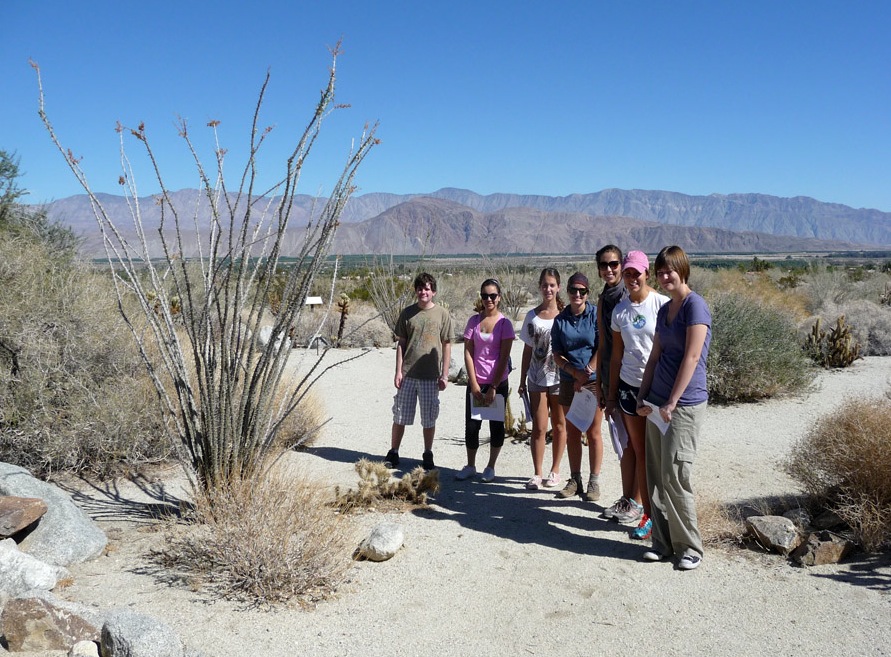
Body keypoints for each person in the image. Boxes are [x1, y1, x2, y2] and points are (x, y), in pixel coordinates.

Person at [636, 246, 711, 570]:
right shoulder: (665, 309)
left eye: (671, 271)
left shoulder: (695, 307)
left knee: (675, 474)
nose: (666, 277)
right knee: (655, 474)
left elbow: (692, 358)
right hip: (657, 403)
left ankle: (689, 547)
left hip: (683, 405)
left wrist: (672, 401)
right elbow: (655, 356)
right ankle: (663, 542)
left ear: (683, 270)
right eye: (661, 271)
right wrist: (643, 396)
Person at [605, 251, 669, 541]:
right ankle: (646, 514)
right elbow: (617, 356)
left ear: (647, 273)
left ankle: (666, 516)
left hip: (658, 388)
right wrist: (611, 393)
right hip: (630, 388)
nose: (631, 278)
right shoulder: (620, 312)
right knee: (641, 451)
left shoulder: (662, 305)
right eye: (627, 273)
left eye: (636, 273)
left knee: (662, 454)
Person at [385, 272, 454, 471]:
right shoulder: (407, 314)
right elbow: (401, 343)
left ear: (434, 291)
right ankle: (394, 451)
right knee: (400, 415)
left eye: (427, 288)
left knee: (429, 416)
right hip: (408, 374)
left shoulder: (442, 314)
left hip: (430, 375)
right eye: (420, 288)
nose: (423, 292)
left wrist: (445, 374)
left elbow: (447, 344)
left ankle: (427, 453)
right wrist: (398, 371)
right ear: (415, 290)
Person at [456, 279, 516, 483]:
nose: (488, 299)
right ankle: (470, 464)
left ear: (499, 297)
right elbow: (468, 352)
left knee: (496, 425)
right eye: (484, 296)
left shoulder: (505, 324)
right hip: (476, 381)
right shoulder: (474, 321)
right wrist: (473, 383)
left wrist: (493, 386)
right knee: (472, 426)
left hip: (497, 383)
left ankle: (490, 466)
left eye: (492, 296)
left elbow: (504, 357)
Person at [550, 272, 603, 501]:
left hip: (592, 382)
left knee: (593, 432)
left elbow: (603, 347)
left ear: (587, 293)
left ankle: (594, 481)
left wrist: (588, 371)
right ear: (568, 292)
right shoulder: (560, 320)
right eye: (573, 290)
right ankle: (575, 479)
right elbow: (557, 353)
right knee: (572, 432)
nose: (577, 294)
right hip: (569, 381)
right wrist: (574, 372)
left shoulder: (595, 316)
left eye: (582, 291)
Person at [518, 268, 567, 490]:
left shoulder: (566, 315)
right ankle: (537, 473)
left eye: (552, 285)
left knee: (559, 424)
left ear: (558, 287)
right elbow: (527, 350)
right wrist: (521, 379)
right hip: (536, 377)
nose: (548, 289)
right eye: (545, 285)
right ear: (540, 287)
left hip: (560, 377)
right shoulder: (532, 316)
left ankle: (554, 471)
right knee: (539, 427)